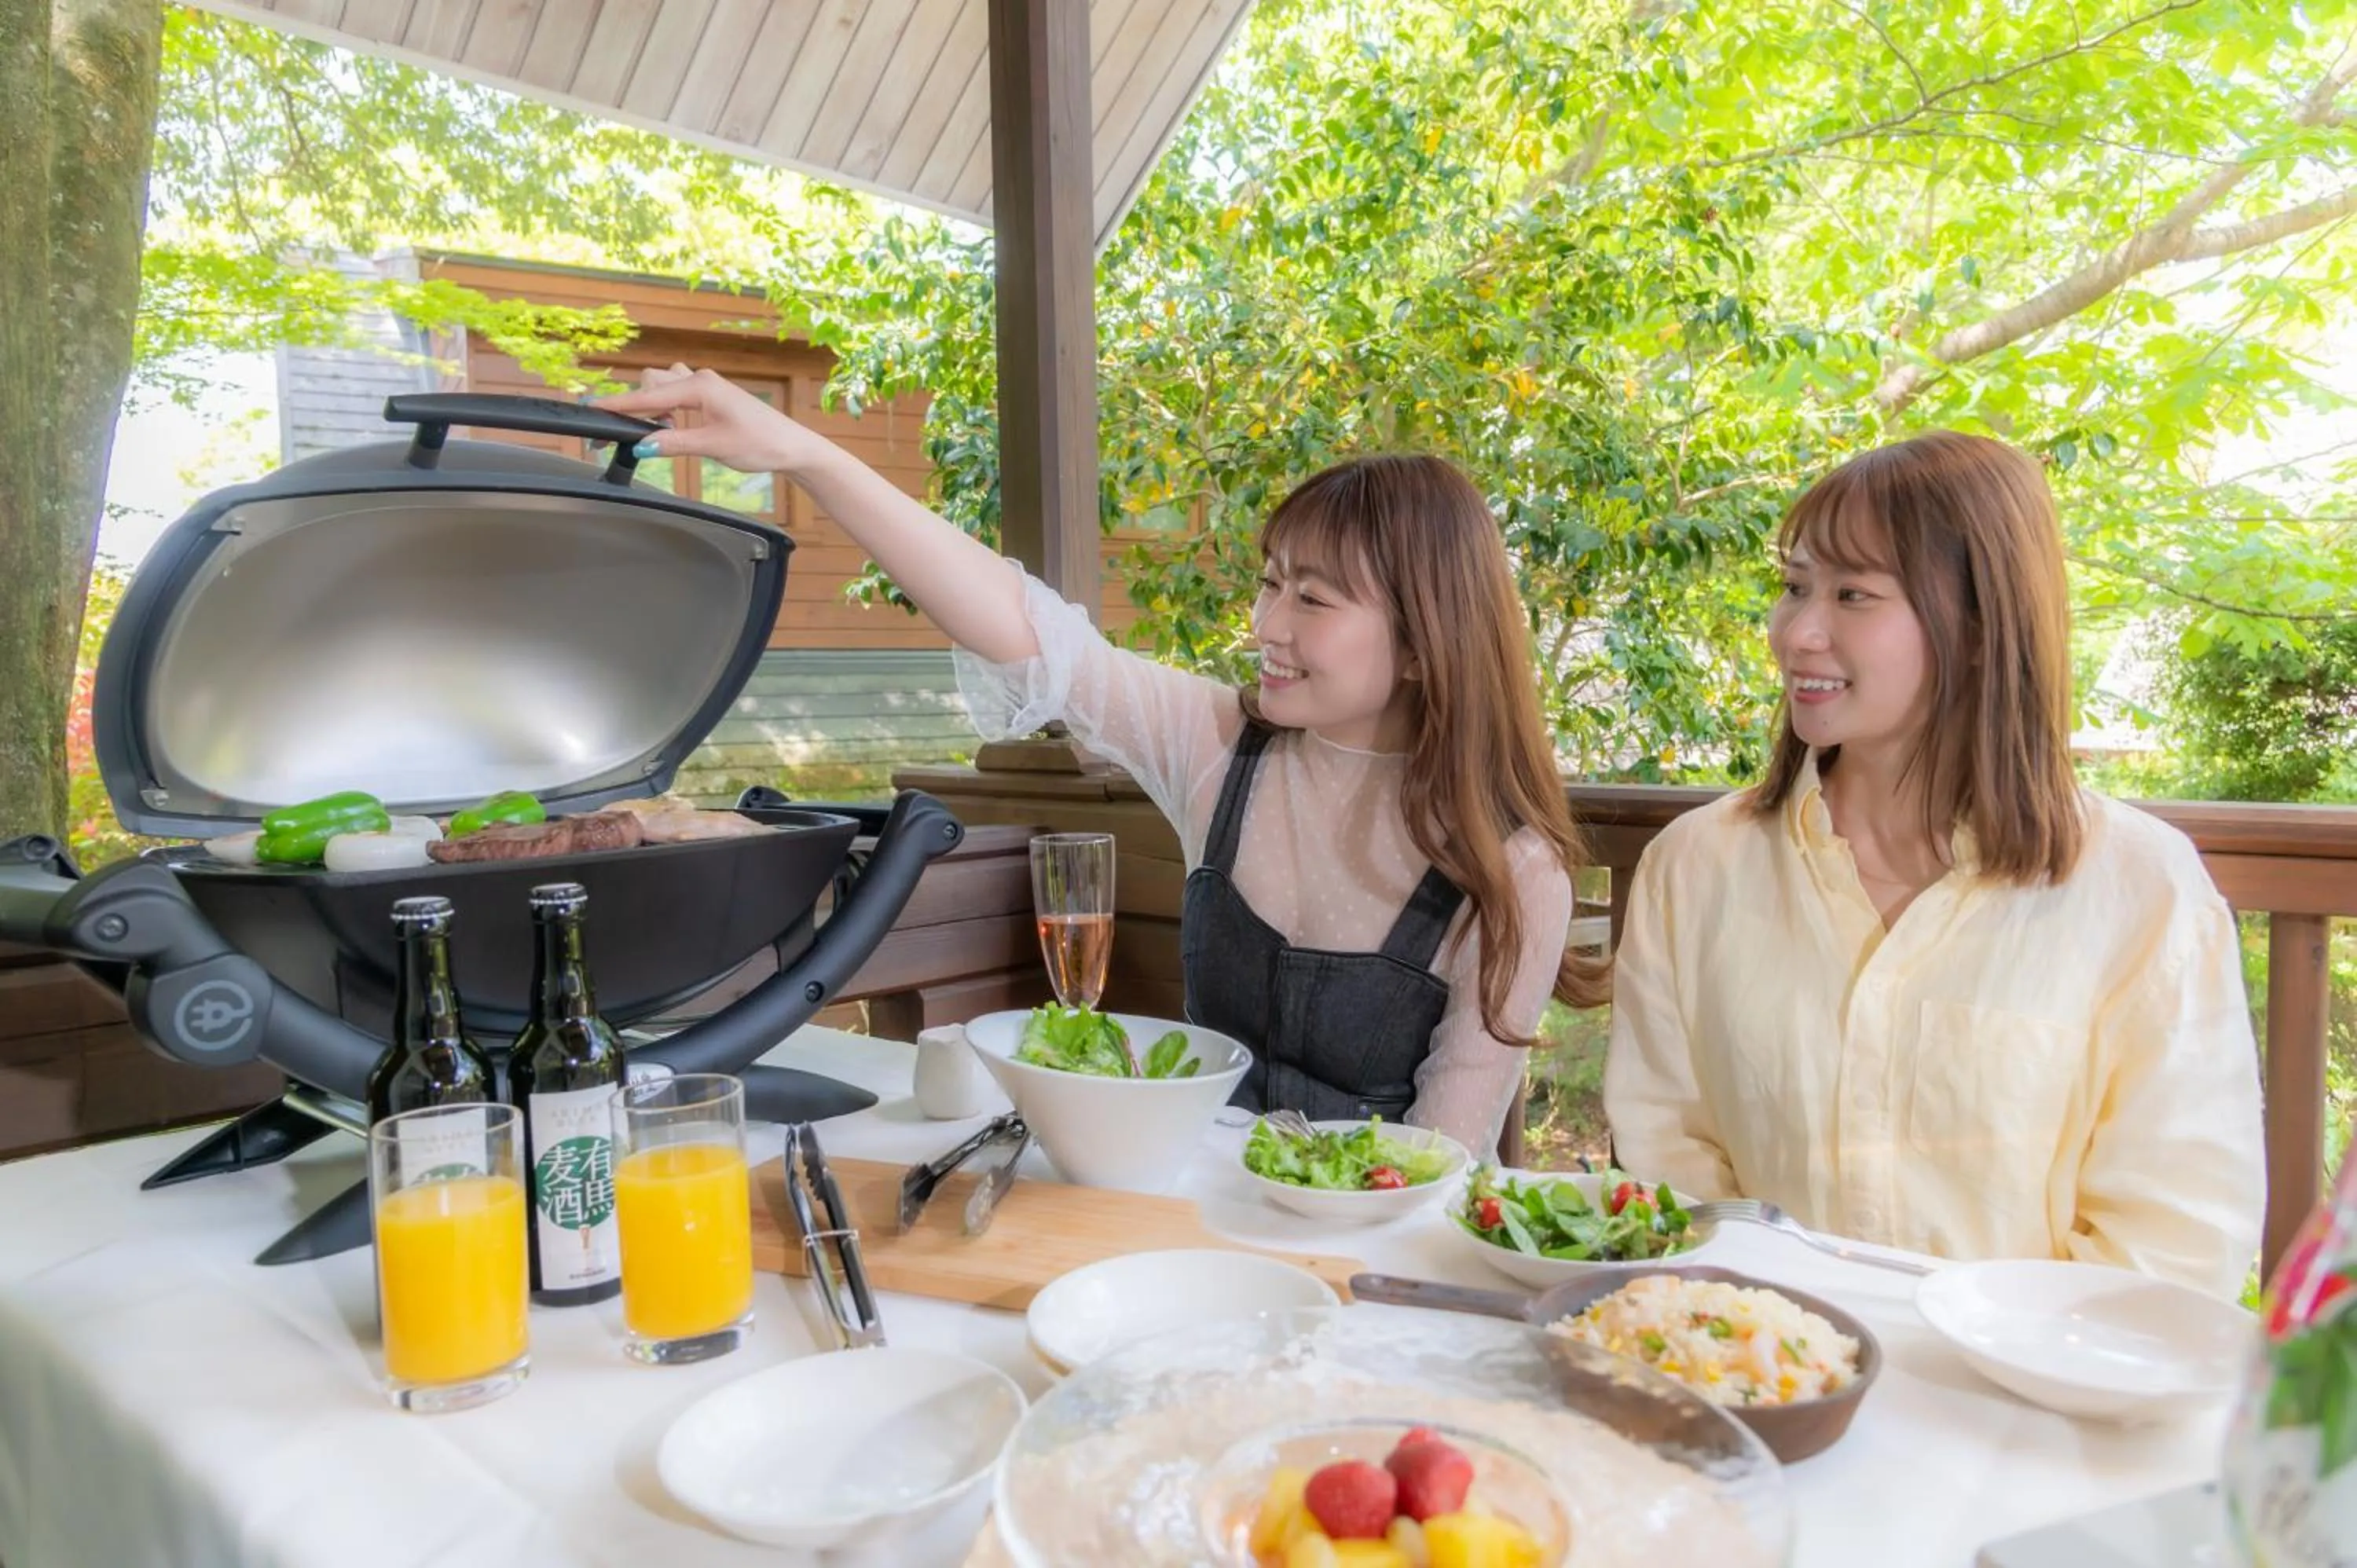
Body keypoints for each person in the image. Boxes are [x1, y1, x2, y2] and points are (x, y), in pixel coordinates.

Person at [599, 368, 1606, 1153]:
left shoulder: (1517, 868)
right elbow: (1024, 627)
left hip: (1370, 1274)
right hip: (1179, 1219)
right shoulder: (1222, 745)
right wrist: (805, 455)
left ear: (1428, 639)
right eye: (1268, 585)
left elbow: (1442, 1169)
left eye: (1312, 597)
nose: (1265, 624)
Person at [1602, 430, 2264, 1298]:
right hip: (1765, 1388)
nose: (1798, 631)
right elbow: (1671, 1170)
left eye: (1853, 595)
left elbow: (2174, 1243)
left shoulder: (2140, 889)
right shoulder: (1695, 866)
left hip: (2028, 1409)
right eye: (1794, 587)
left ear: (1983, 627)